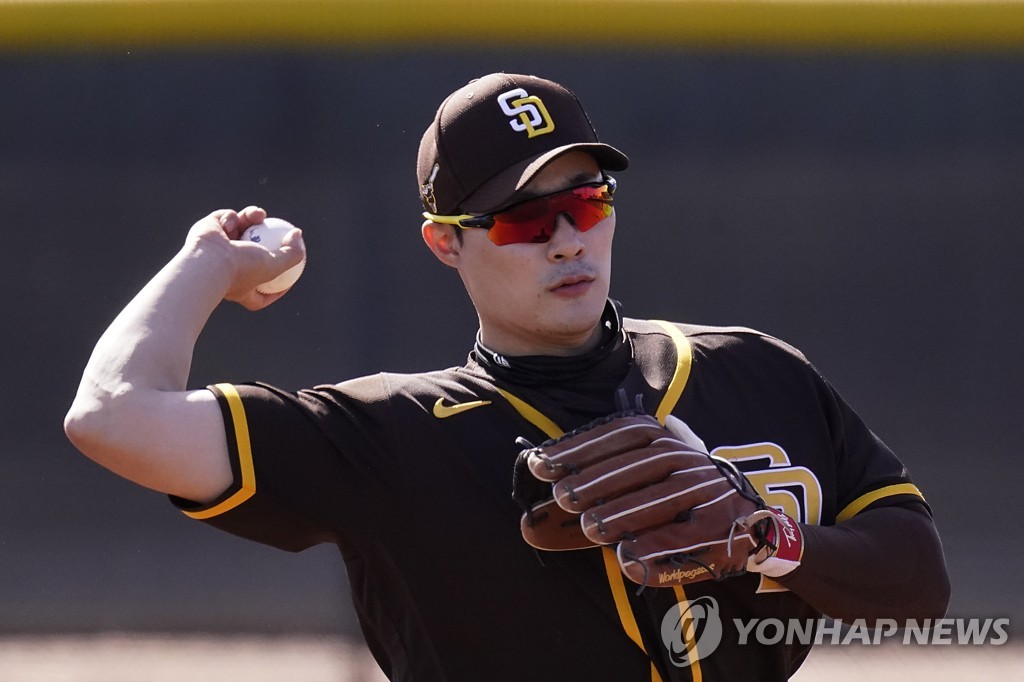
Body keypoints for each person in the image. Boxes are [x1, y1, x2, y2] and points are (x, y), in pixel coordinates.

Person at [65, 73, 950, 681]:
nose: (568, 238)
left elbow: (919, 584)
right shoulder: (389, 437)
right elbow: (111, 416)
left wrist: (771, 539)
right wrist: (203, 265)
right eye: (526, 219)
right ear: (444, 241)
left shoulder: (754, 372)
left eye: (586, 201)